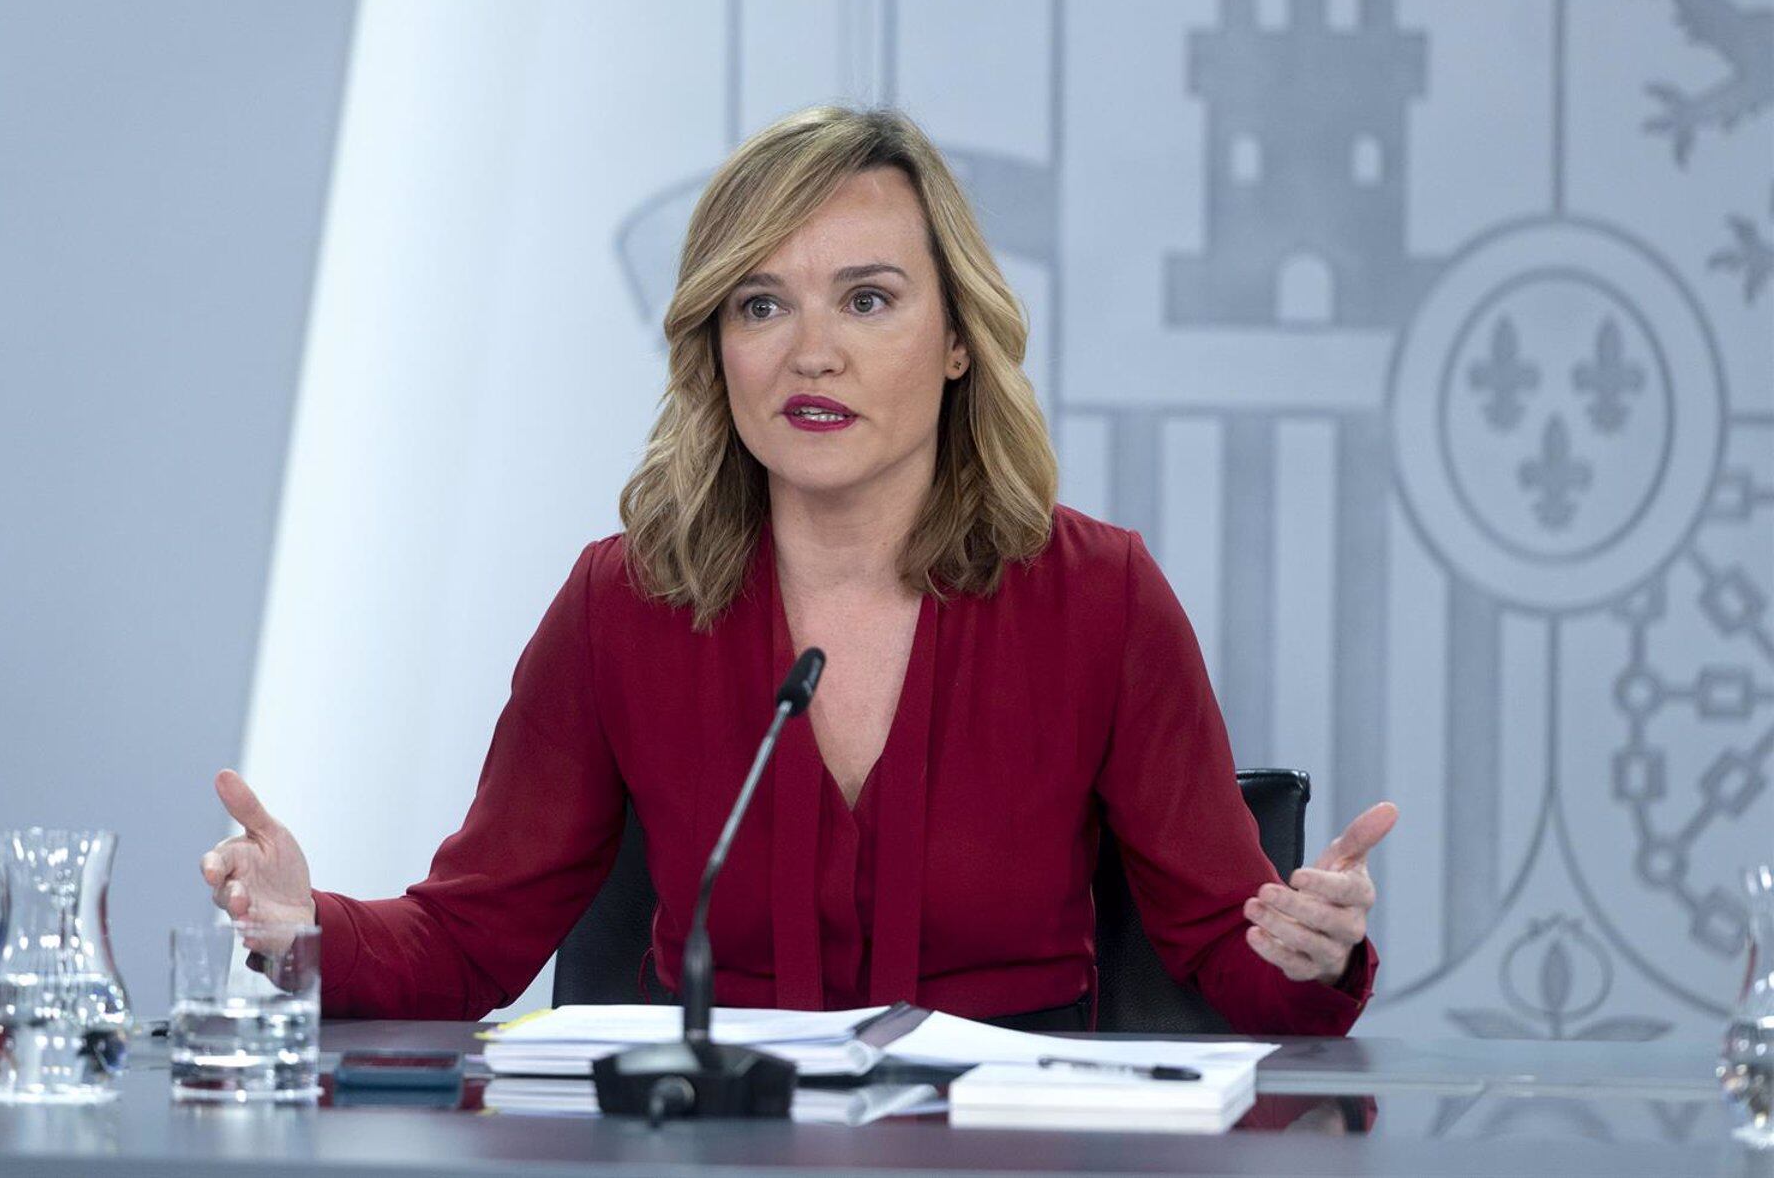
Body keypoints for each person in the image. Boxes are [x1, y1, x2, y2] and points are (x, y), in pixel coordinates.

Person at [200, 106, 1398, 1034]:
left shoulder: (1099, 597)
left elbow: (1233, 962)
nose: (810, 352)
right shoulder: (625, 605)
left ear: (958, 341)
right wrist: (306, 929)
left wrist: (1311, 949)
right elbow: (469, 942)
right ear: (716, 346)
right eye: (761, 304)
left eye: (867, 299)